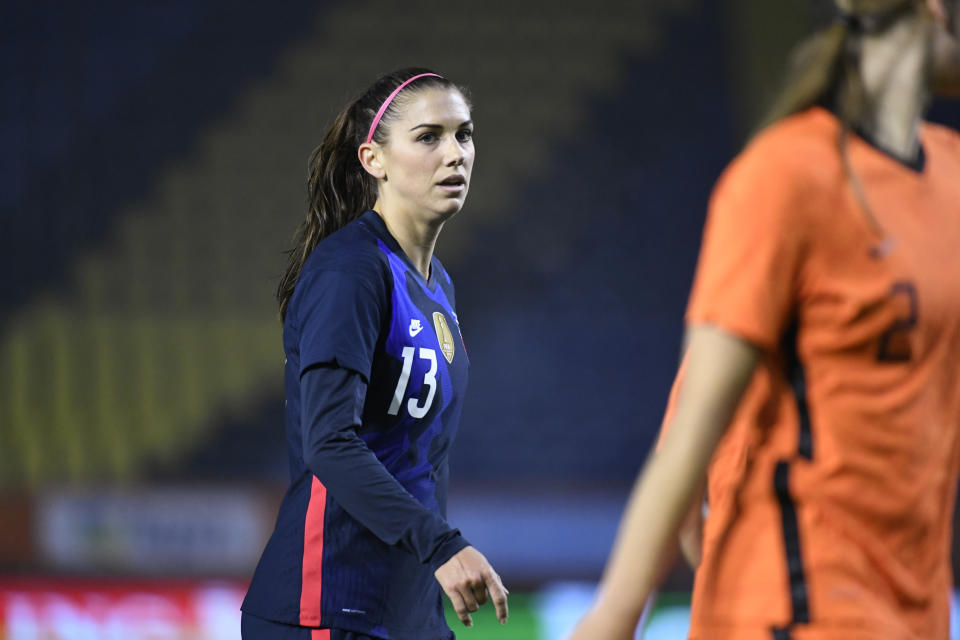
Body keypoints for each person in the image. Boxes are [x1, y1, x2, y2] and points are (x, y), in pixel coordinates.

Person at [572, 1, 960, 638]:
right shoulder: (785, 176)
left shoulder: (945, 177)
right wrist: (616, 613)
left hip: (914, 615)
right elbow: (691, 429)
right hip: (797, 608)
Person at [241, 68, 508, 640]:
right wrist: (442, 544)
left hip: (406, 614)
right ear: (374, 160)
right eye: (428, 136)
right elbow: (329, 443)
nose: (455, 153)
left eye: (464, 134)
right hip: (328, 607)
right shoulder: (351, 271)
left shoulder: (438, 286)